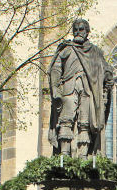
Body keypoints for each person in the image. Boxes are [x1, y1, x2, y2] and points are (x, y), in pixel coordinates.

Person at [48, 18, 113, 157]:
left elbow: (105, 68)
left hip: (88, 90)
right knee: (65, 121)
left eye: (81, 29)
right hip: (68, 89)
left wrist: (108, 77)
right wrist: (55, 88)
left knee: (85, 124)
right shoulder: (66, 49)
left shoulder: (95, 52)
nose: (78, 32)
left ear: (87, 32)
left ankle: (83, 157)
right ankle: (64, 156)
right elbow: (55, 68)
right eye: (75, 30)